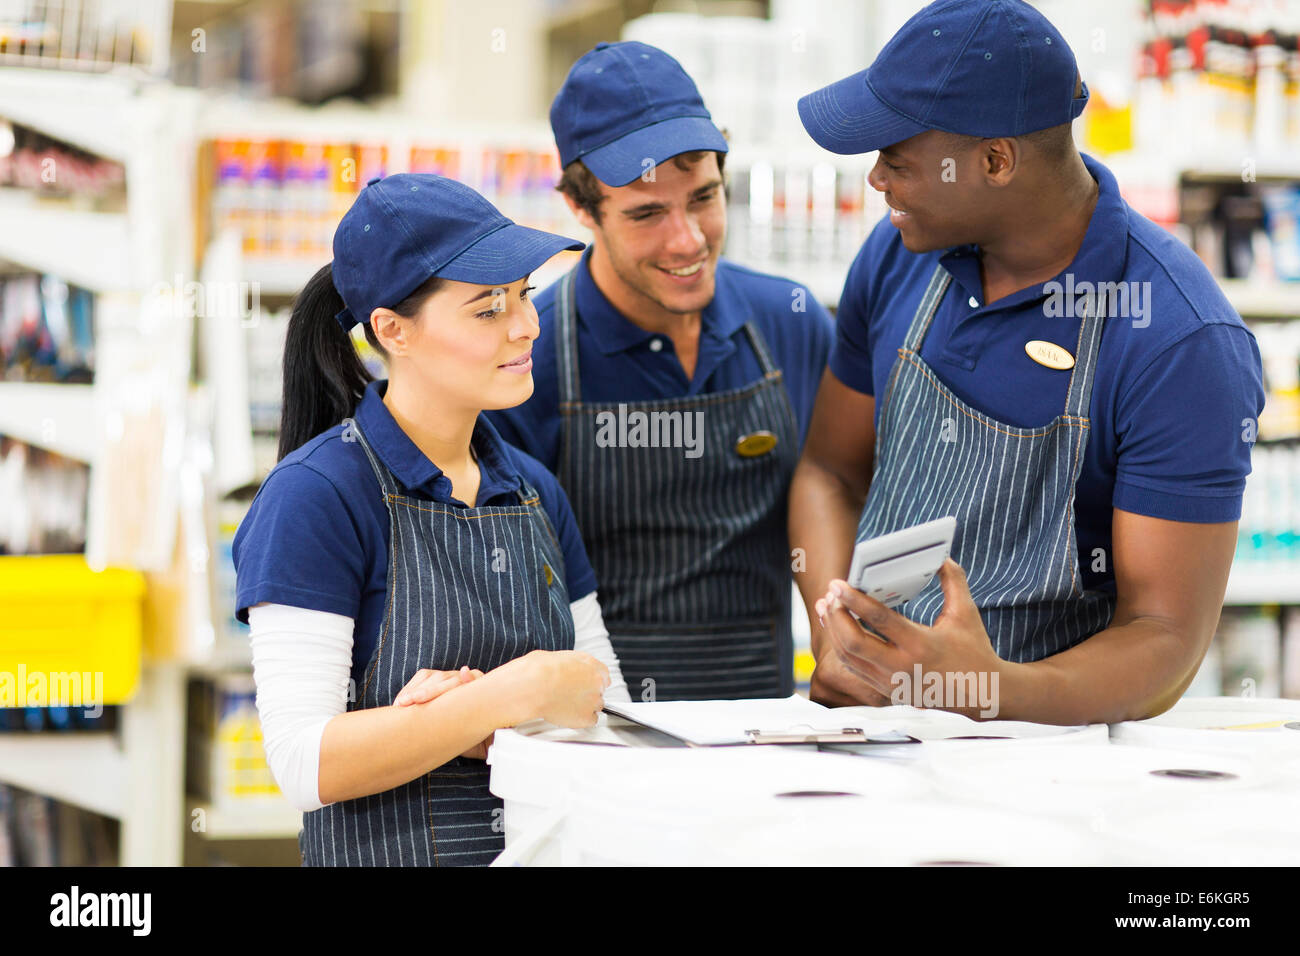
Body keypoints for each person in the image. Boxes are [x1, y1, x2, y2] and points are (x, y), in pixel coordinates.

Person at [789, 0, 1265, 724]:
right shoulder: (896, 256)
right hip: (868, 738)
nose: (877, 180)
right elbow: (829, 470)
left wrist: (985, 687)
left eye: (896, 158)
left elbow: (1165, 638)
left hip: (1049, 770)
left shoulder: (1178, 339)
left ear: (995, 160)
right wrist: (841, 638)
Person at [233, 173, 629, 868]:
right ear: (392, 330)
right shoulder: (318, 496)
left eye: (525, 295)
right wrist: (511, 695)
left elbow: (604, 703)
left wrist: (481, 718)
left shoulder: (533, 489)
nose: (526, 325)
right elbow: (302, 764)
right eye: (487, 309)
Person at [487, 41, 834, 702]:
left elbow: (842, 493)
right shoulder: (530, 358)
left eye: (703, 198)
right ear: (581, 210)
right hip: (597, 746)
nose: (688, 239)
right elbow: (502, 589)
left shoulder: (789, 322)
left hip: (764, 738)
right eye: (647, 213)